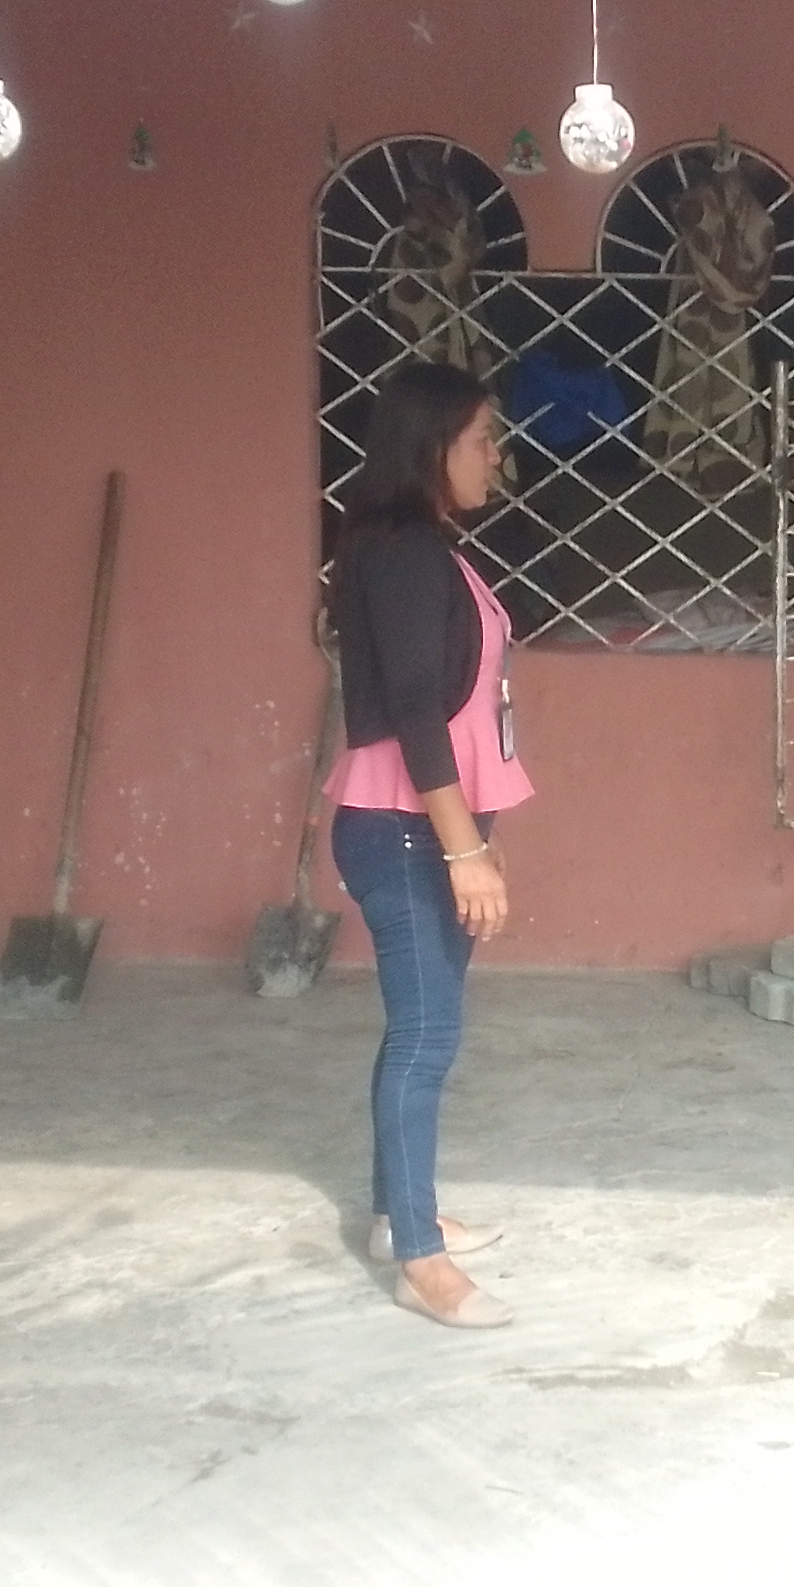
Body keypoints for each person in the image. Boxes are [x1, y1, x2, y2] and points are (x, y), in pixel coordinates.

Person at [328, 361, 530, 1330]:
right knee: (426, 1036)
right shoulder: (404, 552)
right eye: (483, 439)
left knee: (417, 1028)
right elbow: (416, 709)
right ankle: (420, 1259)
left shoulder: (420, 548)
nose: (497, 456)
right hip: (405, 832)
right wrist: (463, 852)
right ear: (430, 446)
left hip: (425, 829)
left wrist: (474, 838)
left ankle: (393, 1215)